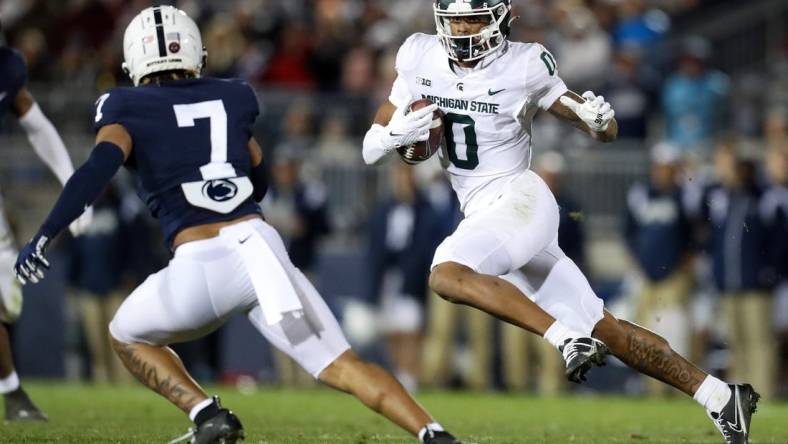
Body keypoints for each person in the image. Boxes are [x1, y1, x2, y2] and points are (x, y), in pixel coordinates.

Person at [14, 6, 461, 444]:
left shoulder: (124, 104)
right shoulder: (231, 95)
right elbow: (259, 180)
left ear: (135, 60)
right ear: (194, 52)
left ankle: (206, 413)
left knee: (125, 334)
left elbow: (96, 170)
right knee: (342, 364)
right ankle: (434, 434)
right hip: (260, 252)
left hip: (197, 261)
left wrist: (44, 235)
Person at [361, 1, 757, 442]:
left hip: (520, 199)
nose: (462, 29)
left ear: (500, 17)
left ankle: (565, 339)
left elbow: (598, 128)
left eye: (472, 17)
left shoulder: (525, 63)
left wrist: (600, 121)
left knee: (446, 275)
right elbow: (370, 151)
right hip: (486, 214)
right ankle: (720, 397)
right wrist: (392, 136)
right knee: (608, 331)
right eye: (454, 19)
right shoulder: (419, 54)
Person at [0, 22, 92, 421]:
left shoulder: (6, 68)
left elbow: (36, 124)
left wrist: (72, 184)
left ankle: (12, 393)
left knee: (5, 299)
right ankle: (14, 393)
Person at [624, 143, 694, 397]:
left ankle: (679, 388)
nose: (663, 172)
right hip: (646, 276)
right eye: (660, 167)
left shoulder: (686, 194)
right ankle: (652, 389)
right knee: (645, 333)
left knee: (675, 331)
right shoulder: (640, 193)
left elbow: (696, 233)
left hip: (674, 277)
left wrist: (685, 265)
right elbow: (629, 233)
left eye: (668, 168)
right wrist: (637, 265)